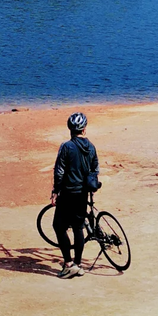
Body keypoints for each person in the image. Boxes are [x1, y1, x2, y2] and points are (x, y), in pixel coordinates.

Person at [51, 111, 99, 278]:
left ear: (70, 129)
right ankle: (79, 265)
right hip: (82, 194)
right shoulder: (91, 147)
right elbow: (95, 169)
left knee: (58, 226)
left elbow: (59, 172)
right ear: (84, 130)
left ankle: (68, 264)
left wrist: (55, 191)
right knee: (78, 228)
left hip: (68, 193)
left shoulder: (66, 147)